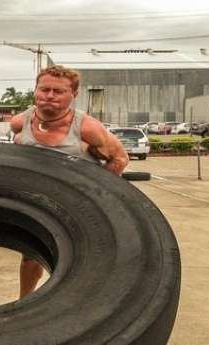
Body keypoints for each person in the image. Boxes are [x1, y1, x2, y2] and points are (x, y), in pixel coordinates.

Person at [10, 65, 129, 298]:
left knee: (82, 258)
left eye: (58, 91)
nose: (50, 96)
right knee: (32, 256)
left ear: (73, 95)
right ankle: (24, 301)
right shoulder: (20, 123)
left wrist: (95, 193)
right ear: (35, 91)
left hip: (80, 203)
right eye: (44, 89)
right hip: (41, 200)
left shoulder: (87, 128)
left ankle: (76, 304)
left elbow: (120, 159)